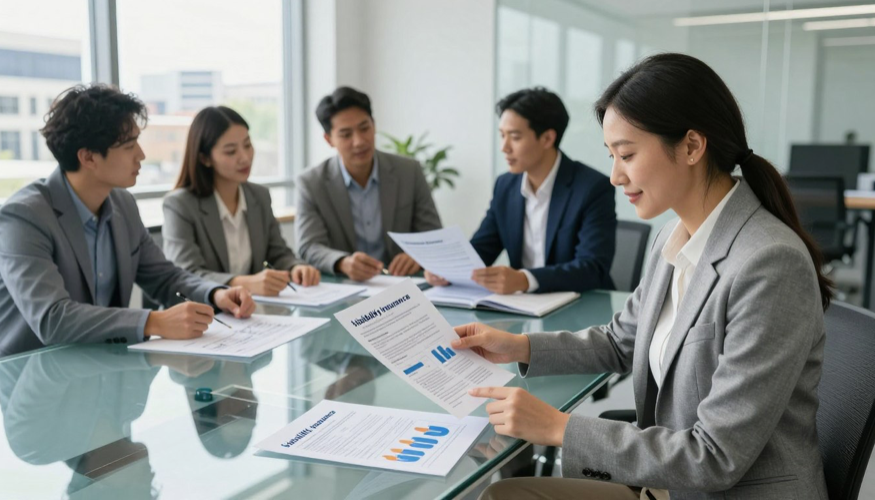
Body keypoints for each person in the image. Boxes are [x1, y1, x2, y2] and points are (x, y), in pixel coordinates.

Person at [455, 54, 832, 499]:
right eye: (611, 155)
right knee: (503, 495)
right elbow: (621, 341)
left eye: (627, 154)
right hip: (669, 487)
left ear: (692, 147)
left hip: (725, 490)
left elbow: (715, 456)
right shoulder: (672, 238)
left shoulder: (769, 263)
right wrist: (519, 346)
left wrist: (559, 428)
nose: (616, 176)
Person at [0, 85, 255, 358]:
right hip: (32, 378)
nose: (142, 155)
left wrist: (215, 294)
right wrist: (153, 322)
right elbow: (53, 318)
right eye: (129, 146)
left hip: (102, 368)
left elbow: (165, 277)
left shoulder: (123, 204)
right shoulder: (24, 217)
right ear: (88, 157)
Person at [426, 88, 616, 294]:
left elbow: (593, 268)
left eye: (515, 137)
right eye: (502, 136)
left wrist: (525, 280)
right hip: (522, 306)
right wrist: (447, 269)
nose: (504, 147)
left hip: (581, 307)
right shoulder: (505, 186)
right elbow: (482, 249)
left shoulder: (592, 187)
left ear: (547, 139)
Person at [162, 106, 320, 296]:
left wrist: (296, 267)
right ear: (205, 158)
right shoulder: (180, 205)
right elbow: (187, 274)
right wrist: (243, 283)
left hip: (252, 312)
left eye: (247, 145)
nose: (245, 158)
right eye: (231, 152)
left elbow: (278, 253)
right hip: (205, 314)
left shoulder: (259, 196)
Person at [296, 86, 442, 281]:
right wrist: (342, 262)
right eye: (346, 134)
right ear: (329, 139)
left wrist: (417, 255)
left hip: (403, 284)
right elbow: (309, 246)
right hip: (345, 287)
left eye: (365, 128)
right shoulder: (311, 183)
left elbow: (433, 234)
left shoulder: (409, 172)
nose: (359, 141)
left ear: (374, 125)